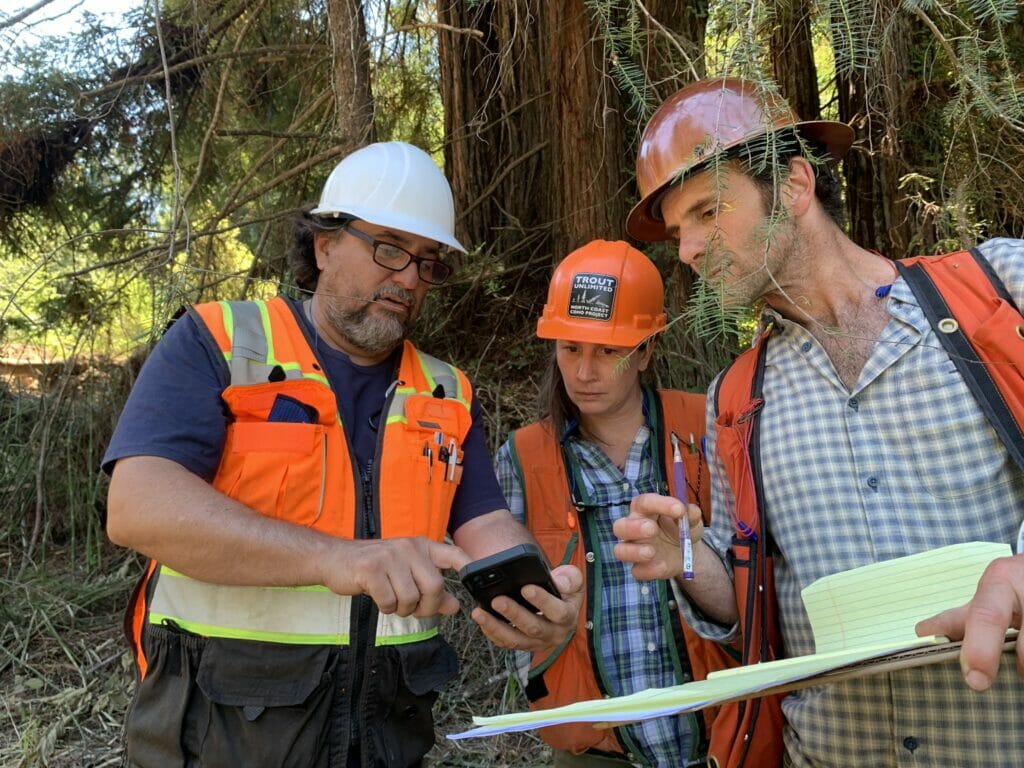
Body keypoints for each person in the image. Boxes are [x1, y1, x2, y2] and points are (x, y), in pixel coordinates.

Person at [103, 140, 583, 768]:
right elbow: (138, 507)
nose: (410, 278)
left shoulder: (447, 392)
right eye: (389, 248)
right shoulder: (219, 343)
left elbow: (483, 522)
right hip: (218, 735)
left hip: (385, 738)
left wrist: (535, 590)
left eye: (428, 262)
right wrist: (336, 559)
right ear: (324, 245)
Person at [613, 77, 1024, 767]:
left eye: (709, 211)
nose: (686, 250)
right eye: (680, 231)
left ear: (796, 186)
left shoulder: (1003, 290)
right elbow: (752, 608)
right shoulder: (735, 399)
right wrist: (685, 560)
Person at [495, 239, 724, 768]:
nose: (584, 372)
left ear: (646, 350)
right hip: (593, 753)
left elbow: (757, 580)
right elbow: (508, 612)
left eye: (607, 351)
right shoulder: (524, 457)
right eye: (569, 348)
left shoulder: (709, 428)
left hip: (724, 738)